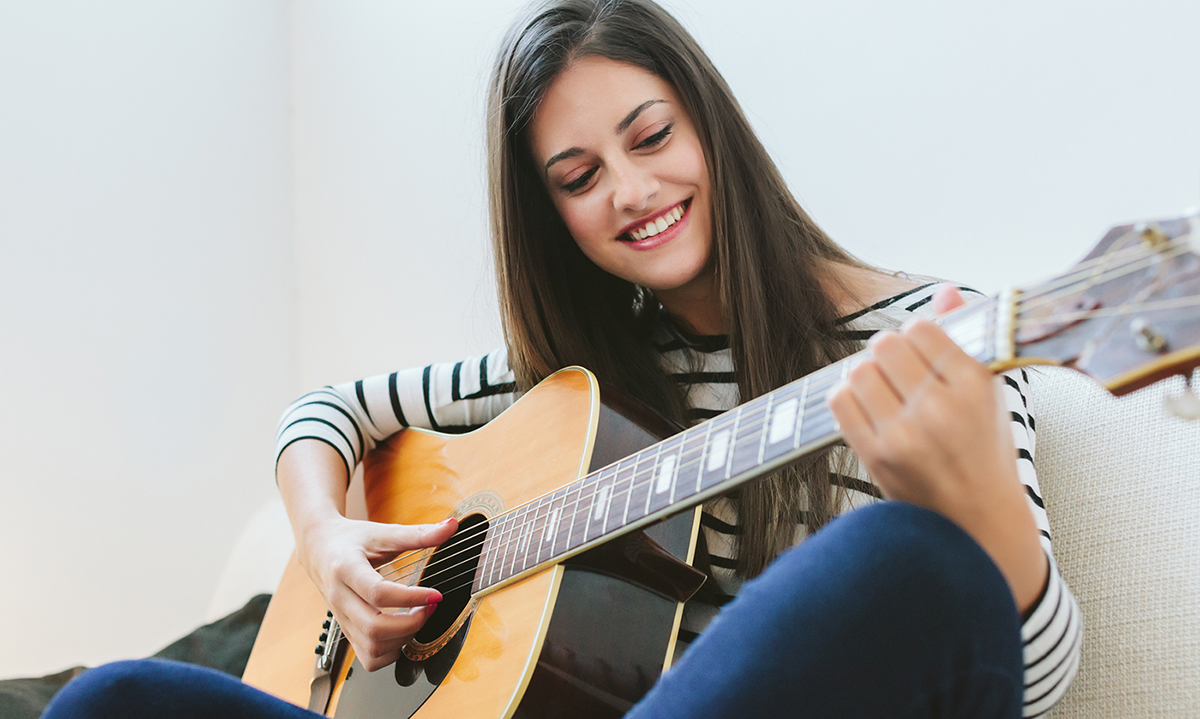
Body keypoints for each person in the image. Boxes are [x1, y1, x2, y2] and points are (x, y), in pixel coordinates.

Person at [44, 1, 1081, 717]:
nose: (631, 190)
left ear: (712, 127)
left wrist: (979, 499)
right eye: (580, 177)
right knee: (109, 700)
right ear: (554, 220)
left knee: (904, 554)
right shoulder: (574, 391)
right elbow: (325, 412)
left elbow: (1020, 676)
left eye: (652, 136)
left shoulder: (935, 343)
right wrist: (324, 543)